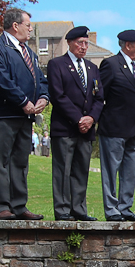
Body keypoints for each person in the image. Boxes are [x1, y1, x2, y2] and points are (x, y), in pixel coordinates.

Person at [0, 8, 49, 221]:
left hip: (25, 117)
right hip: (6, 115)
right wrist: (23, 102)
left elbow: (41, 79)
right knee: (2, 161)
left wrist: (43, 97)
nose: (30, 30)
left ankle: (19, 205)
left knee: (21, 162)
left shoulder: (28, 52)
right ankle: (2, 206)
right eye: (28, 25)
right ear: (16, 26)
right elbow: (2, 79)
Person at [47, 26, 103, 221]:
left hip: (86, 129)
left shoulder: (92, 68)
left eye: (86, 43)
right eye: (80, 43)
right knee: (63, 170)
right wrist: (78, 118)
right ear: (70, 43)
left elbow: (99, 98)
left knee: (81, 170)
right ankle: (62, 209)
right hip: (65, 128)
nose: (83, 47)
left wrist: (91, 119)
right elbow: (58, 95)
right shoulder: (57, 65)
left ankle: (79, 209)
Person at [98, 29, 135, 222]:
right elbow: (100, 96)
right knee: (110, 171)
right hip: (113, 128)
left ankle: (125, 207)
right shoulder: (110, 65)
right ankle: (111, 209)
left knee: (129, 172)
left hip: (133, 129)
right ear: (128, 45)